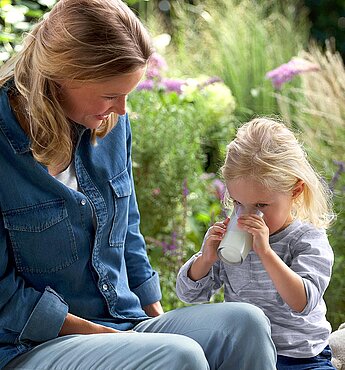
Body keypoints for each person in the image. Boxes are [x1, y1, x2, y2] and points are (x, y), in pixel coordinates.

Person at [0, 1, 277, 369]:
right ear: (64, 73)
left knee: (246, 324)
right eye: (111, 94)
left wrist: (154, 319)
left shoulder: (109, 123)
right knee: (180, 355)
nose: (122, 109)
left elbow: (127, 227)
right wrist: (116, 339)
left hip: (123, 322)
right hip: (30, 346)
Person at [176, 117, 336, 369]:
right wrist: (205, 259)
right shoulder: (233, 237)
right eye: (238, 203)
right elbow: (190, 295)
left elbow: (303, 302)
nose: (248, 214)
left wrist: (265, 252)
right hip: (246, 356)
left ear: (295, 191)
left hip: (300, 358)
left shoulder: (307, 238)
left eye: (261, 205)